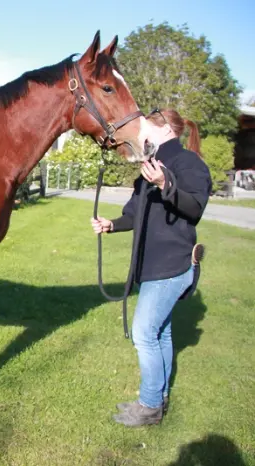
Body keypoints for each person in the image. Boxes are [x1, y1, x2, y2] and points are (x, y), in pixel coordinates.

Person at [90, 108, 213, 427]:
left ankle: (150, 405)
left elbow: (194, 208)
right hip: (151, 265)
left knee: (144, 334)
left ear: (166, 131)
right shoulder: (150, 165)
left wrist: (165, 183)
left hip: (172, 265)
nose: (141, 135)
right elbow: (134, 214)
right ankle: (159, 396)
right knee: (160, 332)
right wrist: (111, 224)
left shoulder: (188, 163)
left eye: (146, 128)